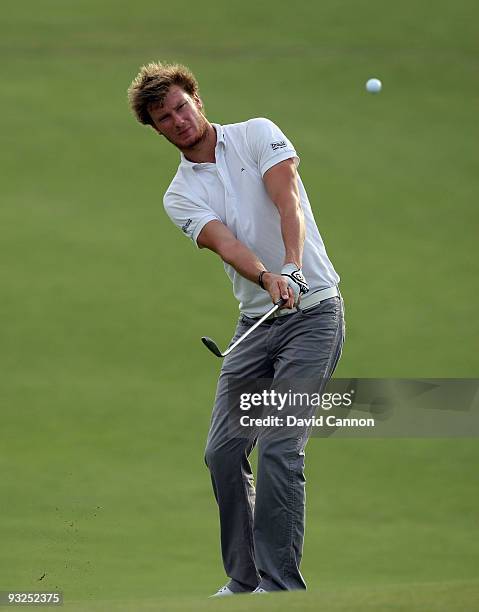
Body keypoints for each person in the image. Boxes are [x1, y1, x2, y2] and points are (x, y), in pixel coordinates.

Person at [128, 61, 345, 596]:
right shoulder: (179, 195)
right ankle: (243, 579)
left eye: (181, 106)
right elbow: (225, 243)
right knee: (223, 452)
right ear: (155, 129)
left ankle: (282, 585)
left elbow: (286, 197)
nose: (178, 120)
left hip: (314, 314)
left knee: (278, 444)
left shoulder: (258, 134)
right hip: (254, 325)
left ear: (197, 99)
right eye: (164, 118)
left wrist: (292, 266)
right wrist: (267, 276)